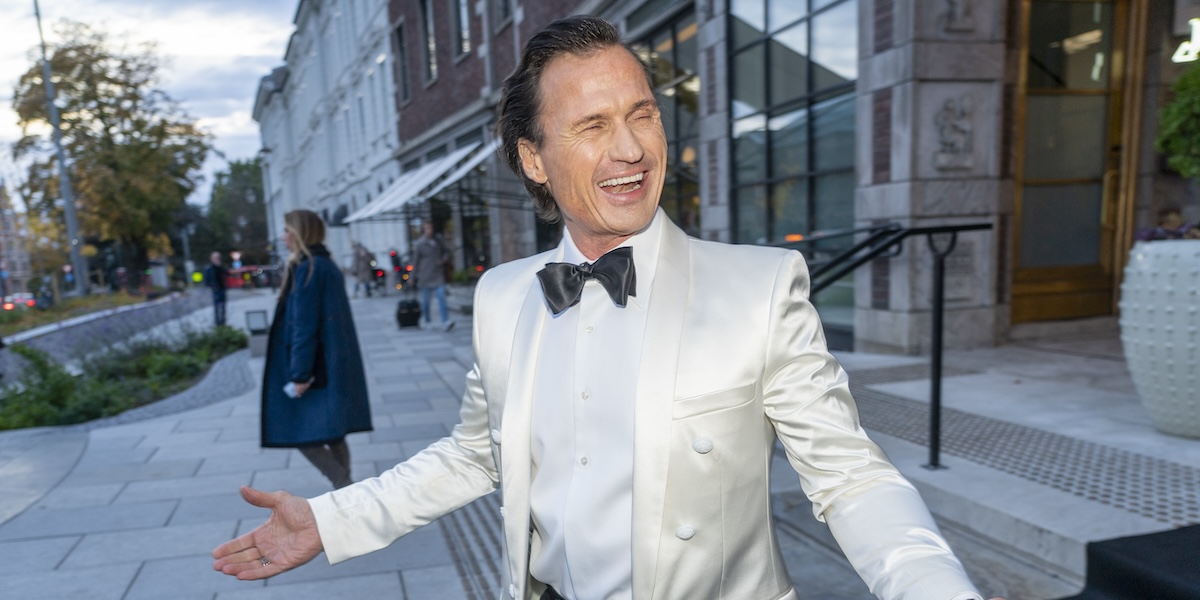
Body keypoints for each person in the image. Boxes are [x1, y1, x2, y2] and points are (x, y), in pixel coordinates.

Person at [213, 17, 1006, 600]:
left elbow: (851, 478)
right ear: (533, 159)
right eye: (593, 126)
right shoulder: (502, 296)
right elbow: (477, 453)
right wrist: (334, 520)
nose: (631, 149)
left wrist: (938, 589)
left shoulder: (760, 288)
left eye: (642, 113)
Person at [260, 210, 373, 489]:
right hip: (330, 363)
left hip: (315, 367)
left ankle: (346, 488)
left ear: (300, 233)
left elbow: (304, 325)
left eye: (287, 230)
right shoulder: (325, 265)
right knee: (333, 432)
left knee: (300, 432)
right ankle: (346, 492)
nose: (283, 237)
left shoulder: (309, 268)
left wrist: (299, 374)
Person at [412, 221, 454, 331]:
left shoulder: (438, 240)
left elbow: (447, 252)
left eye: (430, 228)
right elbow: (415, 261)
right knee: (426, 302)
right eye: (426, 229)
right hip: (425, 276)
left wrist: (443, 259)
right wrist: (412, 277)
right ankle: (427, 320)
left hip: (438, 274)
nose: (429, 231)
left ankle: (445, 321)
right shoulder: (420, 244)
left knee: (442, 298)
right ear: (423, 230)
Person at [202, 251, 228, 327]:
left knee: (223, 306)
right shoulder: (209, 268)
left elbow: (226, 273)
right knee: (217, 307)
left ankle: (223, 322)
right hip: (215, 289)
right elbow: (207, 280)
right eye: (215, 258)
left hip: (222, 288)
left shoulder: (221, 267)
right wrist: (212, 286)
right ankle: (218, 323)